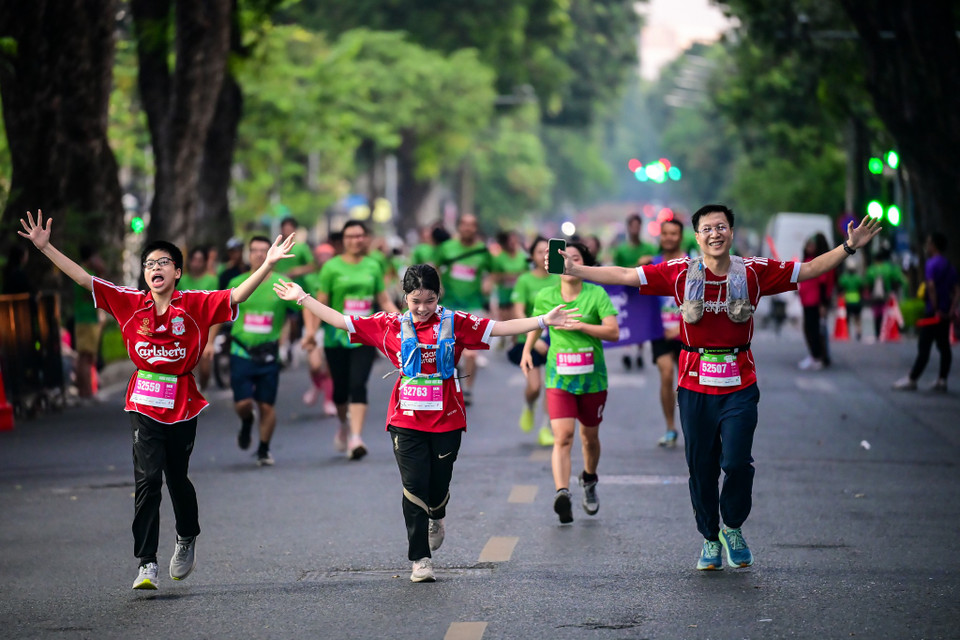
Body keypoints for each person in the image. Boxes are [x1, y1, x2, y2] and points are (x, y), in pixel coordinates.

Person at [551, 204, 880, 570]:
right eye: (707, 229)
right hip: (694, 385)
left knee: (737, 463)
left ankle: (733, 527)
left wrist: (849, 247)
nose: (715, 234)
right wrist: (576, 269)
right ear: (698, 237)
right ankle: (710, 537)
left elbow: (809, 269)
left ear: (731, 232)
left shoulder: (754, 272)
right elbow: (627, 275)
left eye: (721, 227)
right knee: (701, 467)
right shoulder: (679, 273)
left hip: (740, 384)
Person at [18, 209, 295, 590]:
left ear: (177, 272)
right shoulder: (129, 302)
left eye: (164, 262)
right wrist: (46, 248)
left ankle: (186, 537)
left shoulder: (196, 304)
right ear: (145, 273)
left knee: (176, 477)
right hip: (143, 400)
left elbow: (237, 294)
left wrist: (265, 265)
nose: (155, 268)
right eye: (149, 264)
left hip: (182, 399)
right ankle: (146, 563)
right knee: (148, 479)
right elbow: (84, 278)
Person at [273, 264, 577, 582]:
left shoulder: (456, 322)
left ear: (439, 295)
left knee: (438, 485)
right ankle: (420, 559)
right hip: (405, 419)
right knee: (413, 485)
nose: (422, 308)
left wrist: (544, 320)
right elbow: (341, 320)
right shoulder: (388, 324)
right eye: (415, 300)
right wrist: (303, 297)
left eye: (429, 300)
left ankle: (438, 514)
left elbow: (499, 328)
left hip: (447, 419)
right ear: (404, 297)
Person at [522, 241, 618, 524]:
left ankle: (588, 479)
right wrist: (528, 350)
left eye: (574, 258)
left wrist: (582, 326)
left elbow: (613, 332)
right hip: (559, 378)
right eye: (562, 257)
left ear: (583, 264)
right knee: (563, 437)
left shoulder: (596, 294)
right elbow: (537, 326)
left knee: (589, 438)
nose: (567, 262)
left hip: (592, 380)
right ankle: (562, 492)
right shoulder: (547, 295)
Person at [303, 220, 399, 459]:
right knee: (340, 392)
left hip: (366, 336)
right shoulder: (331, 268)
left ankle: (356, 437)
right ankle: (344, 426)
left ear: (366, 238)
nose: (355, 240)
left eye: (359, 236)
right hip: (336, 338)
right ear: (342, 240)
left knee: (358, 384)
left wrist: (402, 320)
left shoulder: (373, 265)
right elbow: (320, 303)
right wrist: (312, 333)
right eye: (350, 236)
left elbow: (383, 300)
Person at [228, 236, 302, 466]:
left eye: (264, 250)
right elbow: (218, 313)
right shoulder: (238, 282)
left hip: (269, 353)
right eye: (255, 250)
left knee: (266, 405)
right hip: (240, 351)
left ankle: (263, 449)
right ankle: (247, 421)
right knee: (243, 404)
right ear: (248, 254)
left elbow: (302, 303)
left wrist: (307, 335)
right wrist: (209, 343)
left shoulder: (282, 283)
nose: (260, 254)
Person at [434, 214, 494, 405]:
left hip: (474, 305)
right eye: (464, 225)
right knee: (446, 349)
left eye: (472, 225)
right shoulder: (446, 248)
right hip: (449, 304)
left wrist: (488, 283)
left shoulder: (483, 251)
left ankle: (467, 390)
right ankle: (452, 377)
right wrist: (439, 286)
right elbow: (434, 267)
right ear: (459, 227)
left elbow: (493, 272)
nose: (468, 228)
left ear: (476, 228)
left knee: (472, 352)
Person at [639, 218, 687, 448]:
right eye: (665, 233)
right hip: (659, 332)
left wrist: (680, 326)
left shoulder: (693, 264)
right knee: (666, 374)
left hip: (688, 332)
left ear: (681, 236)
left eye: (673, 233)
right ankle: (670, 428)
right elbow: (628, 288)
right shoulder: (652, 264)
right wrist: (638, 268)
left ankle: (693, 427)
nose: (668, 237)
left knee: (687, 384)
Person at [508, 237, 559, 446]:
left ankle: (546, 428)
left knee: (552, 386)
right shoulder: (525, 280)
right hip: (530, 339)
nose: (544, 256)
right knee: (535, 387)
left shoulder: (560, 278)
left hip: (557, 339)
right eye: (540, 252)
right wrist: (534, 337)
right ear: (532, 256)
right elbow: (518, 312)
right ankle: (529, 406)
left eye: (548, 252)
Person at [893, 232, 959, 392]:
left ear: (934, 245)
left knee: (924, 346)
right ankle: (942, 380)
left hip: (933, 313)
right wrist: (950, 310)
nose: (927, 246)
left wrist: (935, 309)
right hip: (945, 314)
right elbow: (957, 290)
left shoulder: (931, 264)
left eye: (929, 243)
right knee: (944, 347)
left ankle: (912, 379)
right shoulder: (949, 266)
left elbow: (930, 286)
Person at [612, 213, 657, 370]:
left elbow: (655, 267)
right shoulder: (621, 250)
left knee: (641, 322)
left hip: (644, 293)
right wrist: (636, 267)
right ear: (628, 228)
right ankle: (627, 351)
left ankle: (639, 352)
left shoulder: (649, 248)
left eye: (638, 226)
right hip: (627, 292)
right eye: (632, 226)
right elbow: (617, 271)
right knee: (628, 321)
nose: (635, 229)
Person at [300, 243, 337, 415]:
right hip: (314, 327)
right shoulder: (309, 279)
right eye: (321, 255)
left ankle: (328, 401)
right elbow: (305, 306)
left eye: (327, 255)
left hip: (331, 327)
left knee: (330, 367)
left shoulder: (337, 275)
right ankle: (316, 385)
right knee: (315, 365)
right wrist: (310, 331)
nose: (324, 258)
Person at [179, 246, 220, 390]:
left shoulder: (212, 280)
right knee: (186, 367)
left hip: (204, 328)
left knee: (204, 369)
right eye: (194, 260)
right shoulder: (181, 280)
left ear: (204, 262)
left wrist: (211, 340)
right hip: (184, 329)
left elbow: (216, 310)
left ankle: (202, 390)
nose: (196, 263)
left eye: (200, 260)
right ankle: (188, 396)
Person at [797, 233, 834, 370]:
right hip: (807, 301)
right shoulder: (808, 259)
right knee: (810, 329)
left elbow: (824, 283)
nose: (808, 247)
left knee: (814, 330)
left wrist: (823, 304)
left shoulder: (818, 261)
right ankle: (815, 355)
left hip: (815, 302)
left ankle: (818, 356)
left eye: (812, 245)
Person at [865, 247, 905, 341]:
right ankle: (887, 332)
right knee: (886, 314)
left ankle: (878, 333)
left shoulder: (871, 269)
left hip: (875, 297)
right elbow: (896, 280)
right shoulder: (888, 268)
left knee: (876, 314)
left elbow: (868, 283)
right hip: (887, 295)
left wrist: (870, 293)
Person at [493, 231, 529, 324]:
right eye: (510, 241)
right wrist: (507, 276)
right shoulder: (499, 258)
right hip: (505, 295)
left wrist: (519, 276)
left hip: (520, 295)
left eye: (515, 241)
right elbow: (494, 276)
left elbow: (528, 273)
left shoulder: (523, 256)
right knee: (504, 324)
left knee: (517, 322)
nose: (513, 243)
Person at [837, 261, 865, 341]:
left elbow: (840, 287)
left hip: (847, 300)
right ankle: (858, 331)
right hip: (857, 300)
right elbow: (861, 288)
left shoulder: (844, 278)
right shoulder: (858, 278)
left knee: (847, 318)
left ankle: (847, 332)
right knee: (857, 318)